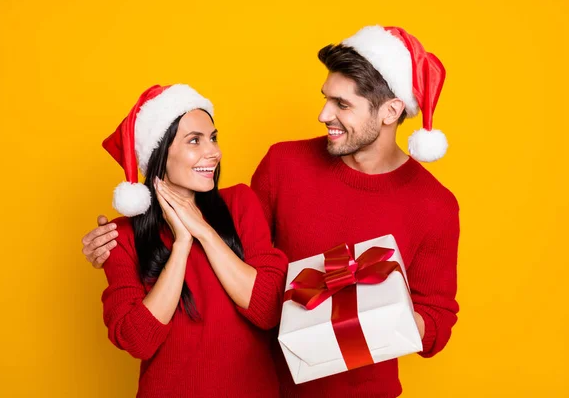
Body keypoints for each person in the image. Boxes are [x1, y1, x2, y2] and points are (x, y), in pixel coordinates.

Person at [83, 25, 460, 398]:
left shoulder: (435, 205)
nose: (323, 114)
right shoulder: (285, 164)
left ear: (391, 111)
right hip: (273, 385)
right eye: (326, 97)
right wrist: (119, 245)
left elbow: (437, 317)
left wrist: (384, 318)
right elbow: (235, 257)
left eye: (342, 104)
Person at [97, 83, 288, 397]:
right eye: (194, 141)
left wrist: (204, 232)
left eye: (212, 138)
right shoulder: (123, 238)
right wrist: (182, 244)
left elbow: (268, 309)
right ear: (160, 155)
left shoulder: (240, 202)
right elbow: (139, 341)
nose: (212, 152)